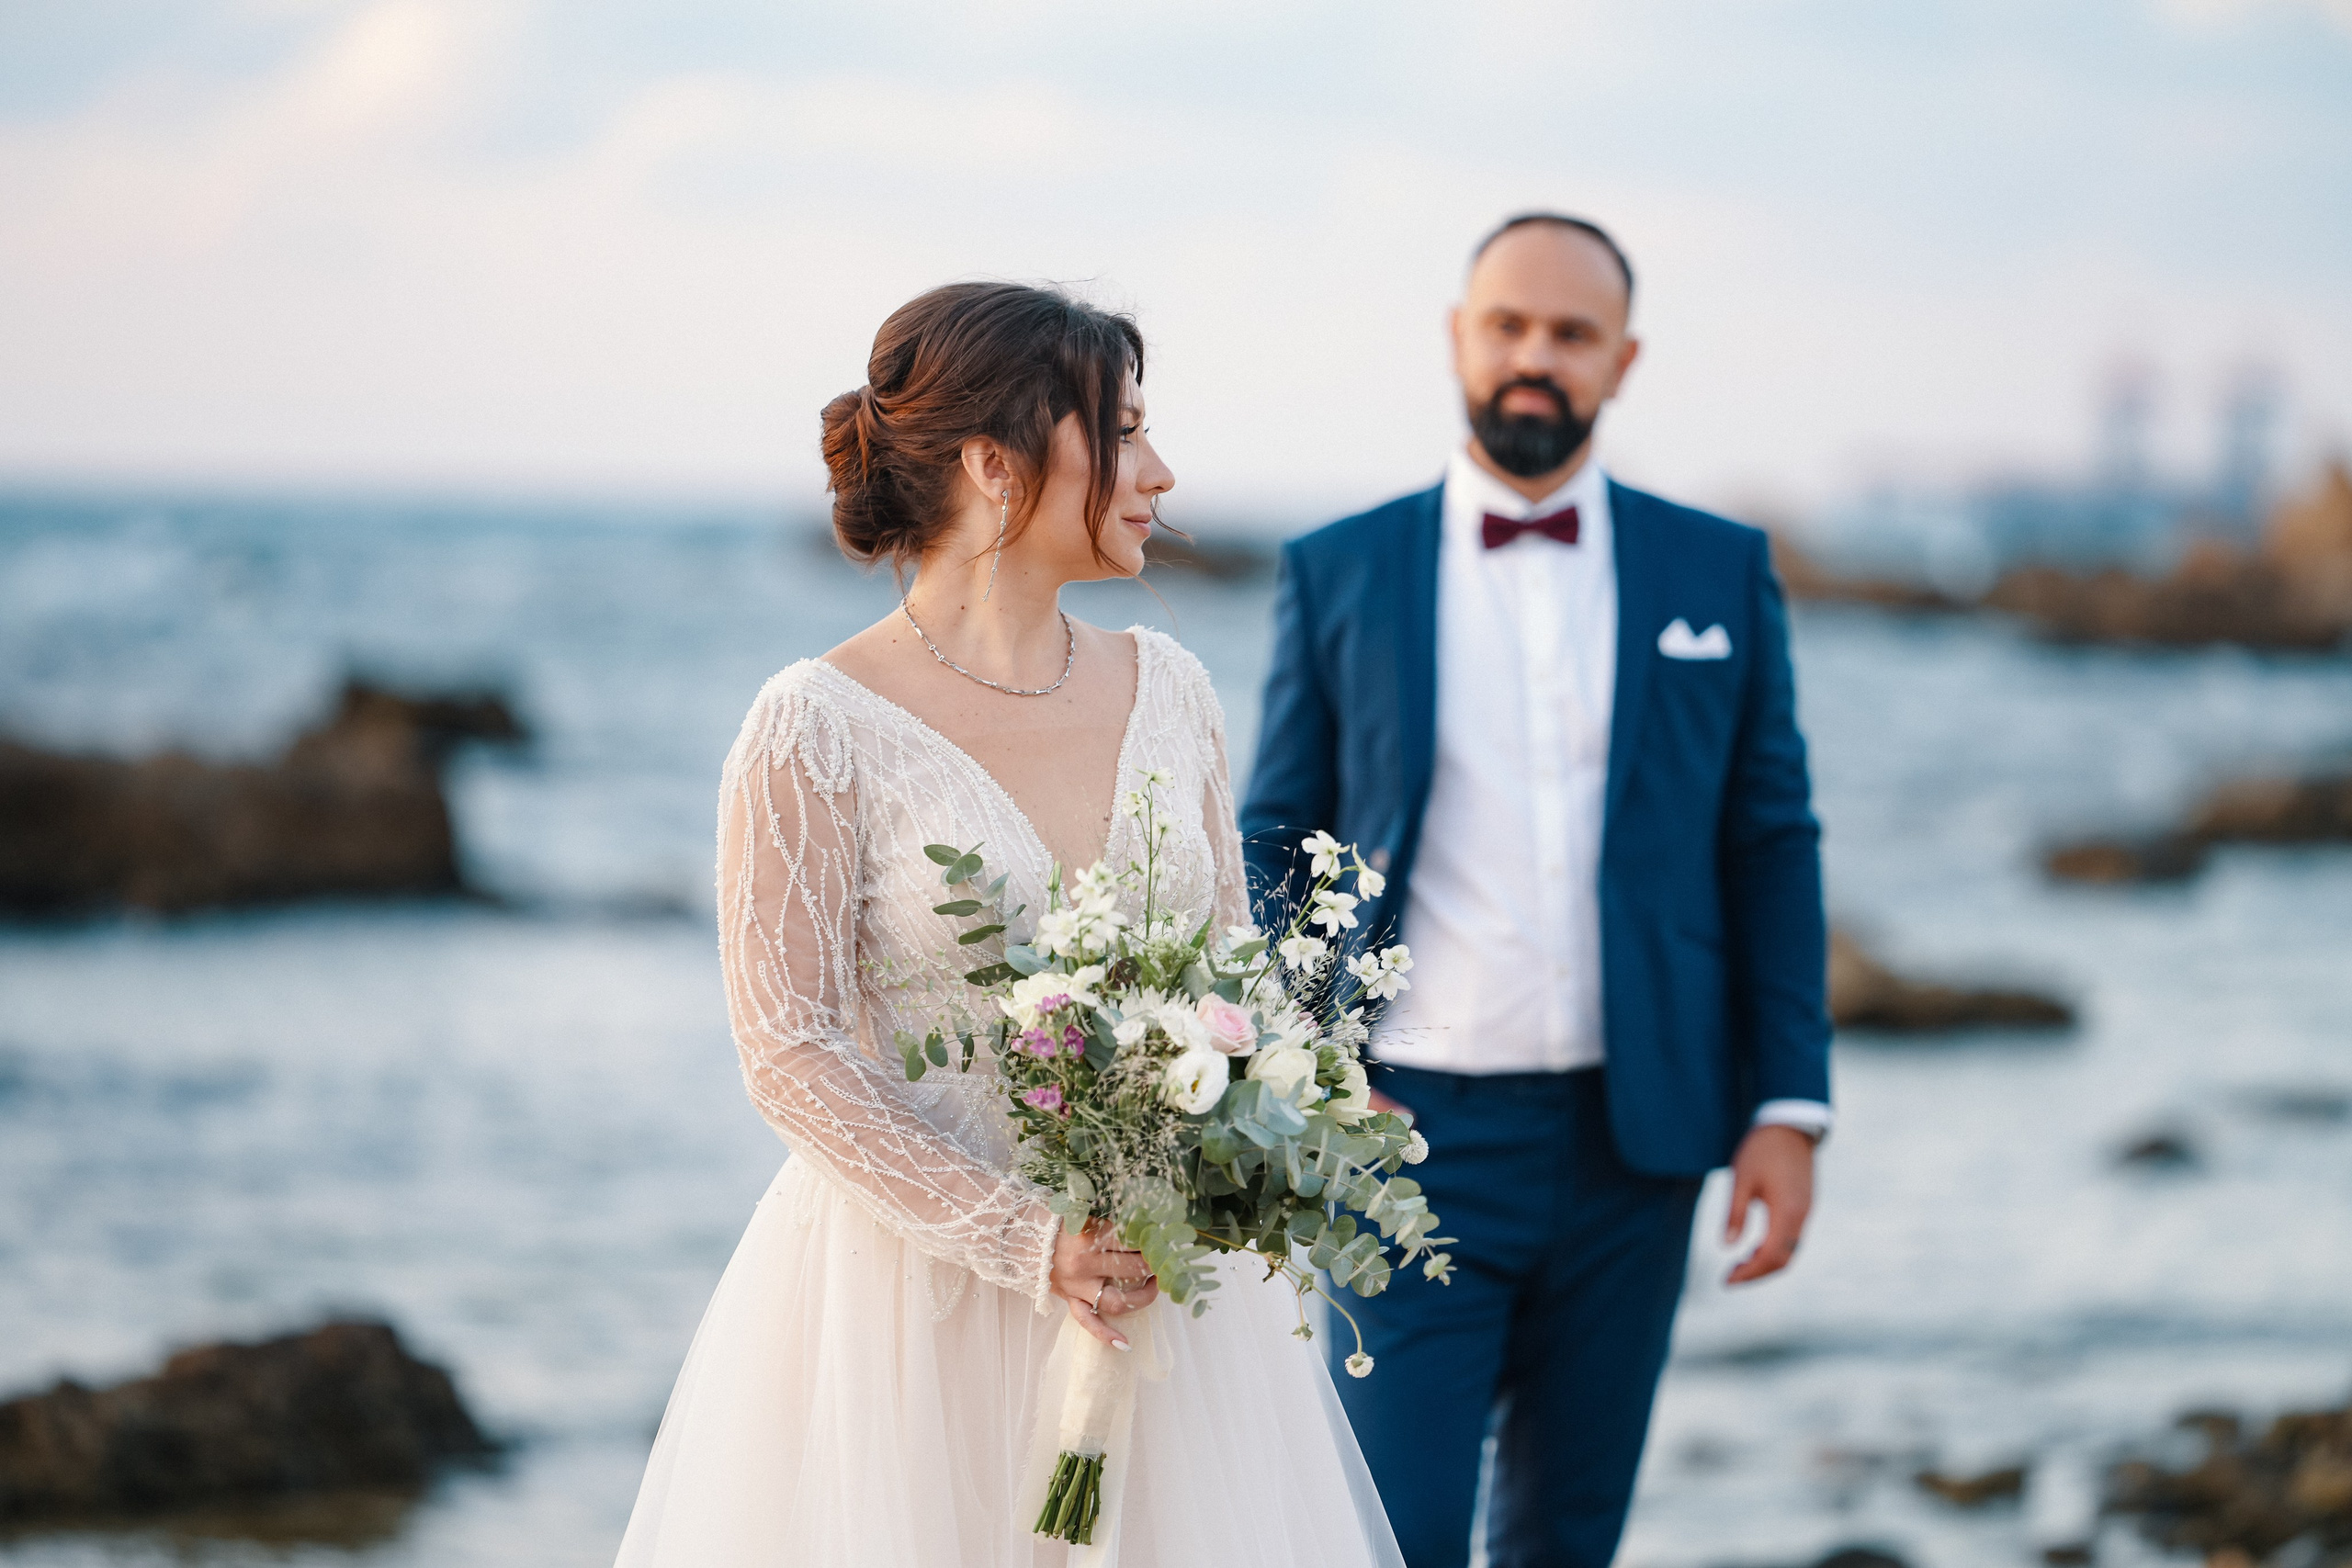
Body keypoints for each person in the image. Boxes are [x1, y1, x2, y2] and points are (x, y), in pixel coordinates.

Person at [616, 281, 1401, 1568]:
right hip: (908, 1316)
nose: (1159, 471)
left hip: (1156, 1304)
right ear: (995, 463)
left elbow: (1226, 980)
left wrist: (1286, 1110)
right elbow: (790, 1049)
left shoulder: (1174, 689)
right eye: (1124, 432)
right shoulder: (814, 727)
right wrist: (1024, 1241)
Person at [1239, 214, 1833, 1568]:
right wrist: (1311, 1052)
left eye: (1570, 335)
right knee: (1395, 1533)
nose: (1534, 358)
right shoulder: (1340, 568)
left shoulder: (1717, 571)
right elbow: (1278, 831)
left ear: (1622, 362)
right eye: (1508, 325)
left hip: (1643, 1144)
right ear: (1459, 337)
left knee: (1570, 1537)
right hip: (1405, 1139)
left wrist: (1787, 1107)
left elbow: (1771, 841)